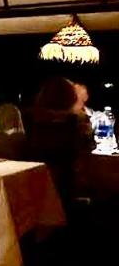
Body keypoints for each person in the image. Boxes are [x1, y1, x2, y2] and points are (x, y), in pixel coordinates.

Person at [27, 76, 95, 204]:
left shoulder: (30, 118)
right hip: (67, 187)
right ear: (70, 97)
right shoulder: (77, 122)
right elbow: (90, 147)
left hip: (32, 184)